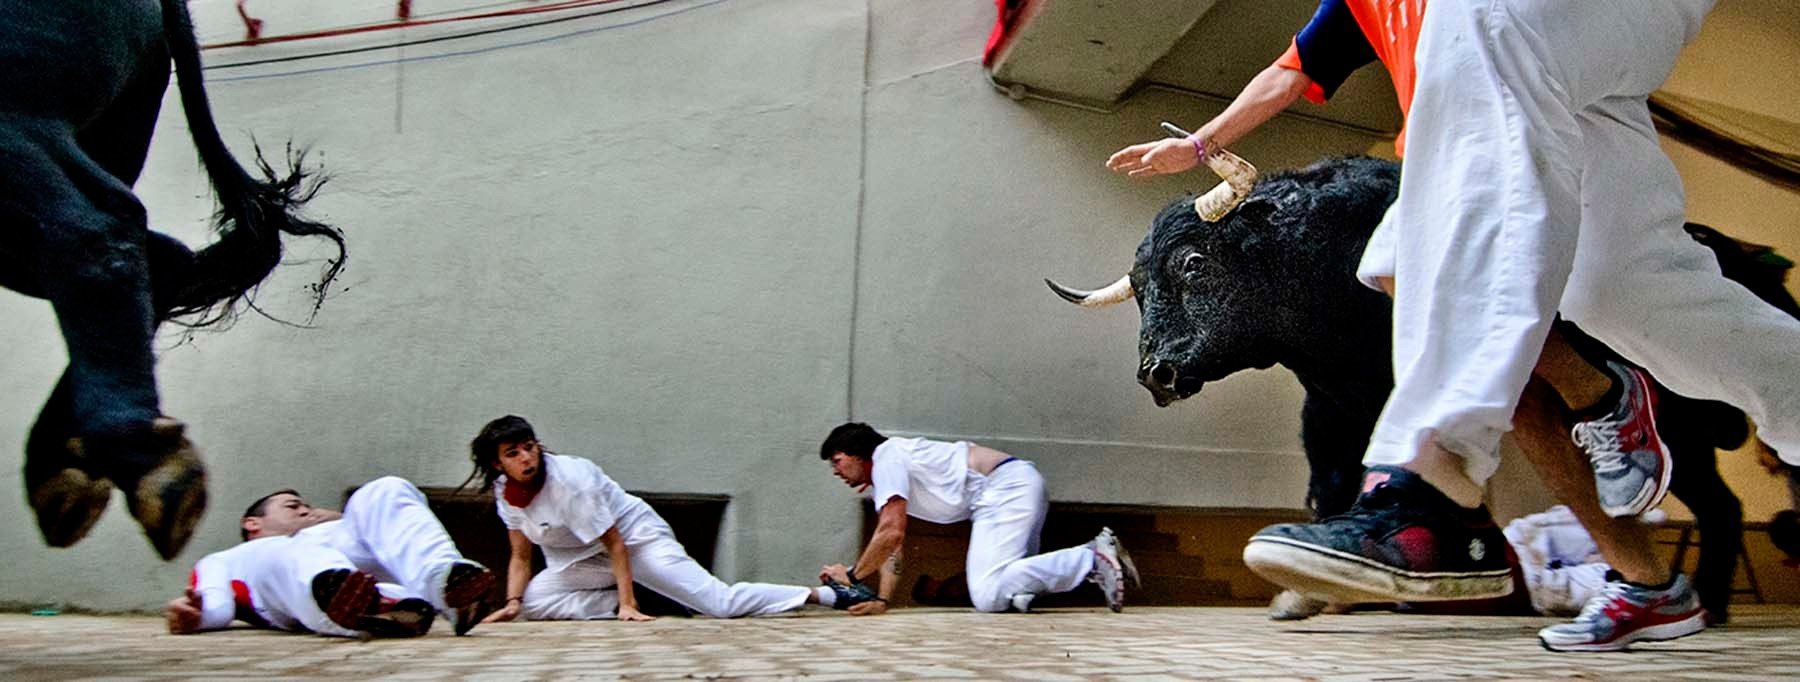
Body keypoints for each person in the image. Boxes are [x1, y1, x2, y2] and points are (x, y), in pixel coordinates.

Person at [1107, 0, 1800, 651]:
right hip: (1538, 87)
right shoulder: (1356, 6)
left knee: (1422, 225)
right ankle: (1649, 567)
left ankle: (1427, 486)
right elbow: (1291, 71)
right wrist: (1198, 146)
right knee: (1617, 288)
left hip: (1519, 63)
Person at [467, 416, 837, 622]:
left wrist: (628, 606)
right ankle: (646, 598)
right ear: (498, 464)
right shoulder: (506, 493)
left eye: (529, 447)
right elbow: (521, 554)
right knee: (536, 601)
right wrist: (513, 601)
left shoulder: (570, 483)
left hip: (636, 543)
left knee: (720, 604)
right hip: (583, 559)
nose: (527, 458)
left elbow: (616, 544)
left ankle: (822, 595)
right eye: (513, 453)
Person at [817, 422, 1137, 614]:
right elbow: (892, 547)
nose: (835, 472)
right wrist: (883, 601)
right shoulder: (888, 473)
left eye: (837, 461)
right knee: (1007, 594)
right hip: (1015, 487)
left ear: (858, 452)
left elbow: (891, 533)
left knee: (987, 593)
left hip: (1003, 490)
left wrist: (853, 576)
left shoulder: (886, 457)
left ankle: (1091, 557)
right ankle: (1091, 559)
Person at [162, 477, 496, 638]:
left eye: (307, 505)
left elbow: (373, 525)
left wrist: (339, 519)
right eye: (293, 506)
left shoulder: (328, 531)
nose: (306, 509)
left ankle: (444, 585)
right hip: (290, 579)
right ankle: (365, 607)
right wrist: (197, 616)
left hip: (352, 568)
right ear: (252, 523)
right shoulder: (230, 557)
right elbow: (217, 605)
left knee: (385, 489)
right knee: (298, 553)